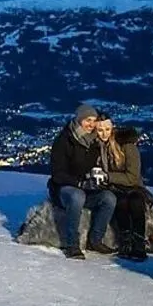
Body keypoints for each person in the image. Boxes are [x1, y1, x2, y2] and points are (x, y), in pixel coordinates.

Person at [47, 103, 118, 258]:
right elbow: (57, 174)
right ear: (79, 120)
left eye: (94, 120)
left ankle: (95, 240)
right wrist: (79, 183)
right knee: (77, 196)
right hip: (63, 189)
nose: (91, 124)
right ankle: (72, 244)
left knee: (109, 198)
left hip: (85, 187)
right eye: (87, 120)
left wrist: (93, 180)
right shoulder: (64, 140)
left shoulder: (93, 142)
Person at [95, 116, 153, 261]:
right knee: (120, 201)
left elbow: (132, 177)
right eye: (100, 130)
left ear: (113, 128)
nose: (104, 134)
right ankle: (125, 243)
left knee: (135, 201)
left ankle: (139, 244)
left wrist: (108, 176)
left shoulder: (127, 145)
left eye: (107, 129)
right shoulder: (97, 147)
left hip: (133, 186)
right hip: (113, 187)